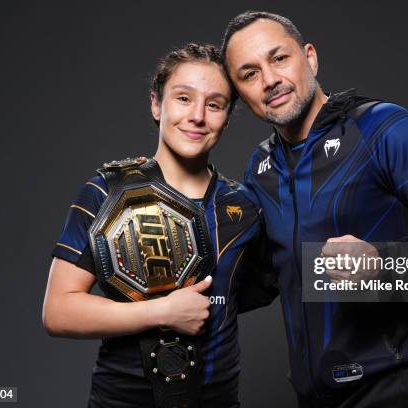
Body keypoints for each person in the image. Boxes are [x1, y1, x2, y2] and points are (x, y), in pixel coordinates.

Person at [221, 11, 408, 407]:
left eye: (279, 58)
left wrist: (386, 263)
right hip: (314, 393)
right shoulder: (260, 168)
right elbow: (271, 276)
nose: (269, 80)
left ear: (310, 57)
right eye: (249, 74)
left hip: (395, 385)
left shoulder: (382, 126)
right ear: (240, 94)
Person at [42, 43, 275, 408]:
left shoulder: (246, 206)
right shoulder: (108, 190)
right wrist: (161, 312)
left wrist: (380, 265)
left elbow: (274, 282)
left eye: (214, 104)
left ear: (226, 117)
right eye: (183, 98)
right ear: (156, 104)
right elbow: (58, 312)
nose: (197, 116)